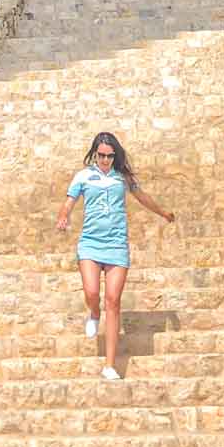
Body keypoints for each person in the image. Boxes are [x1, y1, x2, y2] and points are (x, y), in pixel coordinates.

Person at [55, 130, 175, 379]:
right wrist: (63, 215)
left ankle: (109, 365)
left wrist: (162, 213)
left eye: (110, 156)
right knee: (91, 292)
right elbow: (69, 201)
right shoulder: (84, 175)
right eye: (101, 155)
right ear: (94, 153)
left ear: (115, 156)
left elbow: (142, 197)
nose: (105, 160)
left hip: (117, 246)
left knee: (113, 300)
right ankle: (94, 313)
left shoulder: (123, 177)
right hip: (90, 244)